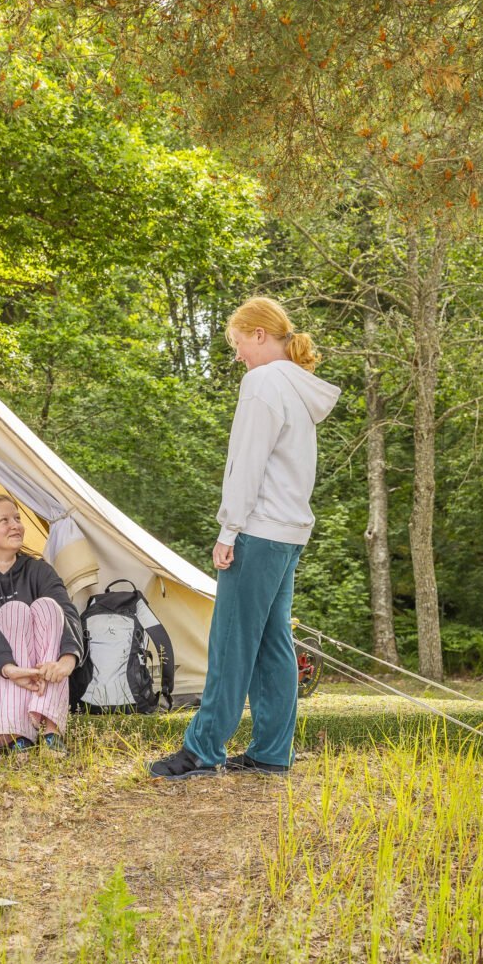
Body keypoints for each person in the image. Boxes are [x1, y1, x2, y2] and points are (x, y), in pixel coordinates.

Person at [150, 297, 340, 779]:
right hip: (289, 533)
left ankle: (203, 749)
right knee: (273, 643)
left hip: (257, 531)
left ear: (259, 334)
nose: (237, 355)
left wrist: (228, 529)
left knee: (231, 642)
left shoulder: (263, 382)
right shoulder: (297, 387)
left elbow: (246, 463)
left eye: (238, 343)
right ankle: (271, 752)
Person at [0, 493, 84, 754]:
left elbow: (68, 613)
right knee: (15, 611)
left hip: (36, 685)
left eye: (18, 519)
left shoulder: (39, 570)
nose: (16, 525)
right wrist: (9, 669)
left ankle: (51, 731)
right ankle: (12, 733)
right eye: (5, 520)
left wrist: (67, 660)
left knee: (49, 607)